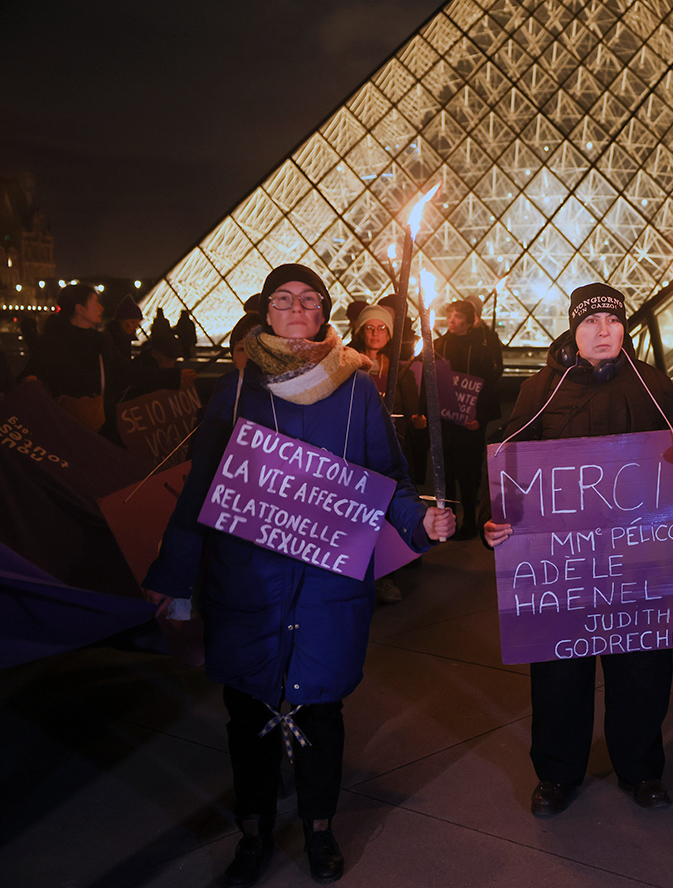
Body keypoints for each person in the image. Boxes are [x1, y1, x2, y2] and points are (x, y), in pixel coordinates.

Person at [142, 264, 454, 886]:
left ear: (323, 313)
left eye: (309, 299)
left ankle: (318, 829)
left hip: (326, 581)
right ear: (265, 312)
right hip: (248, 581)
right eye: (283, 298)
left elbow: (386, 477)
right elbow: (200, 487)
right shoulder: (233, 391)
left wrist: (421, 524)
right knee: (247, 717)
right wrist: (176, 578)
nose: (296, 307)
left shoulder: (359, 389)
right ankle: (253, 833)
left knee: (321, 714)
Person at [483, 283, 673, 818]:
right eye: (590, 323)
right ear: (573, 330)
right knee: (560, 671)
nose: (602, 331)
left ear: (625, 327)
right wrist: (491, 519)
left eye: (612, 320)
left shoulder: (651, 383)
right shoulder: (544, 387)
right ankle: (558, 774)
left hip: (638, 557)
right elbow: (509, 461)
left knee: (642, 667)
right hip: (563, 562)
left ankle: (641, 770)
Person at [349, 303, 424, 602]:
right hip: (355, 453)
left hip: (389, 452)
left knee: (386, 516)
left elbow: (411, 408)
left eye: (382, 328)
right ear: (360, 331)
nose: (376, 333)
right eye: (370, 327)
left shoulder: (400, 370)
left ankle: (386, 576)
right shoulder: (347, 365)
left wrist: (418, 421)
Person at [435, 299, 502, 538]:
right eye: (450, 314)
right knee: (447, 471)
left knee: (468, 471)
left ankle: (471, 520)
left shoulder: (481, 349)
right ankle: (450, 520)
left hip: (470, 423)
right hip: (445, 421)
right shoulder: (437, 346)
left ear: (469, 320)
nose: (452, 320)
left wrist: (480, 417)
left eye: (458, 315)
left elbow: (489, 387)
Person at [20, 283, 122, 432]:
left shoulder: (98, 342)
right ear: (79, 309)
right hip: (67, 429)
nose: (102, 308)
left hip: (74, 426)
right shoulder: (52, 345)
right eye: (96, 302)